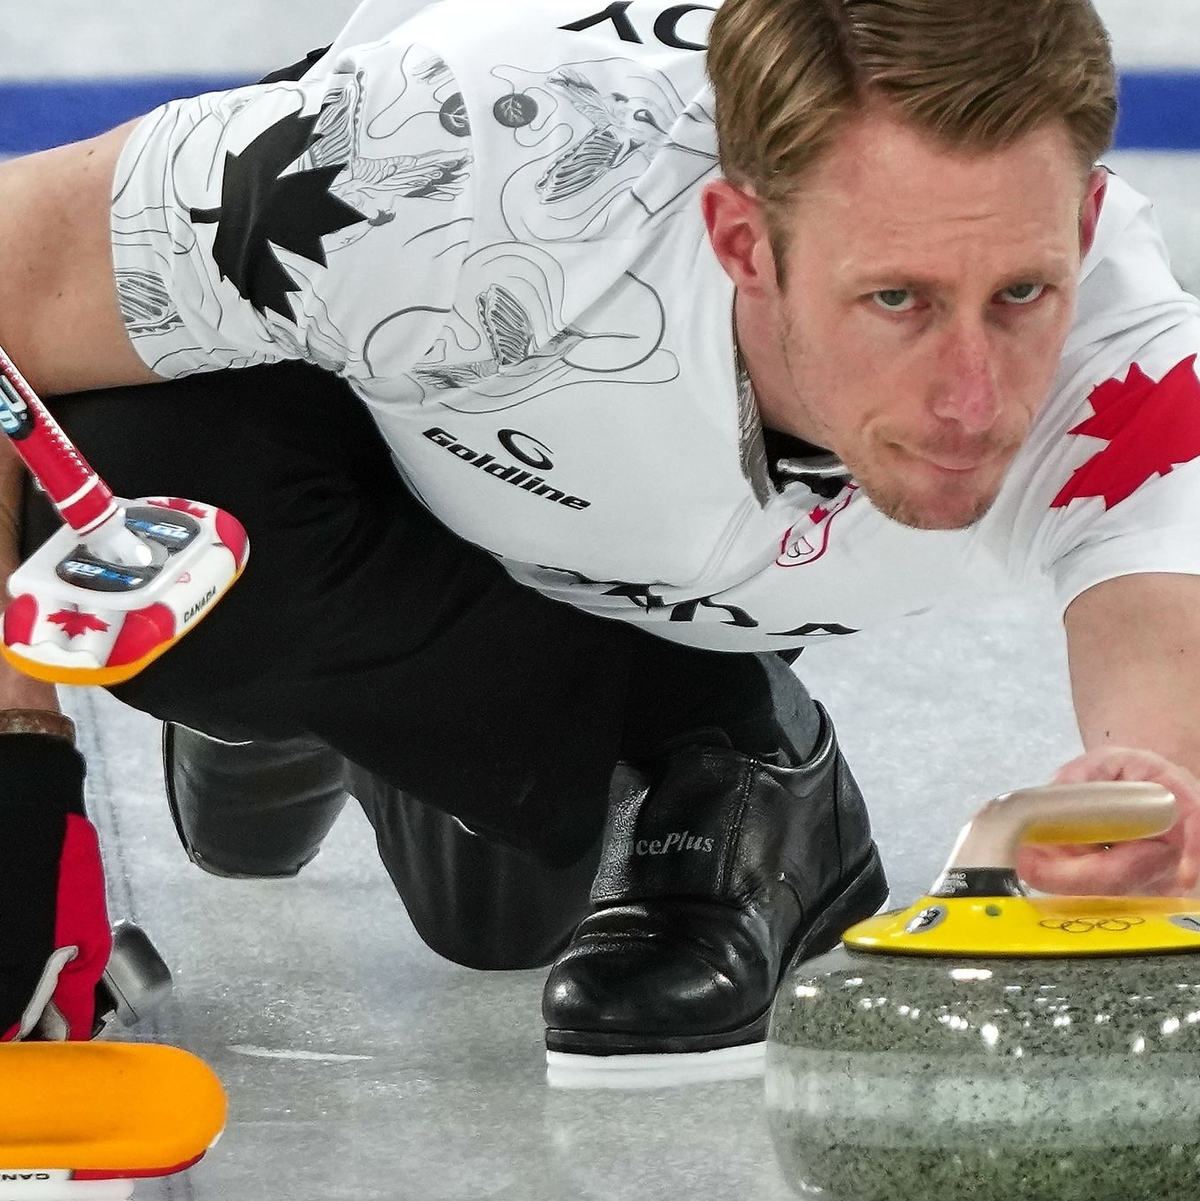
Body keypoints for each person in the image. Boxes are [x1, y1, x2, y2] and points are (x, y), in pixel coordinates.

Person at [3, 0, 1200, 1087]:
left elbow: (1162, 687)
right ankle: (711, 740)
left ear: (1083, 223)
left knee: (502, 917)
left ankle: (421, 726)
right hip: (365, 390)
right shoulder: (443, 161)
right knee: (122, 494)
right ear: (741, 239)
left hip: (526, 535)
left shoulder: (1126, 355)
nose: (972, 399)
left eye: (1021, 294)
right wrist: (17, 765)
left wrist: (1155, 808)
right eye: (897, 299)